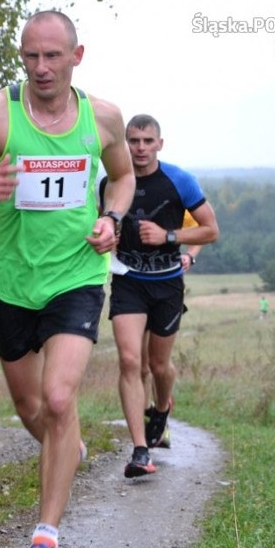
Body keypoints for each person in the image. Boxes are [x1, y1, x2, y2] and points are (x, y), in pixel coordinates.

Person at [0, 10, 135, 548]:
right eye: (30, 56)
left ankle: (46, 533)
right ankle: (67, 449)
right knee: (33, 412)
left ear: (76, 56)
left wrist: (111, 220)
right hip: (9, 282)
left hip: (78, 273)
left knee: (59, 397)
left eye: (51, 55)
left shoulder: (104, 119)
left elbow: (123, 176)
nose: (40, 68)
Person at [108, 114, 218, 479]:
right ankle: (140, 451)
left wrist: (169, 237)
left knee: (158, 366)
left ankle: (161, 408)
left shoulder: (179, 179)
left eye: (147, 141)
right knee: (129, 361)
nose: (140, 148)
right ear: (126, 143)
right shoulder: (111, 180)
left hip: (167, 282)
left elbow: (210, 230)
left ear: (159, 144)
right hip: (127, 279)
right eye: (134, 141)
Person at [138, 210, 204, 448]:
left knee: (158, 363)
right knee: (139, 364)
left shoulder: (170, 193)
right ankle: (149, 422)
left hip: (166, 289)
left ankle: (161, 414)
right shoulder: (124, 191)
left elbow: (200, 228)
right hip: (132, 287)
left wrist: (190, 256)